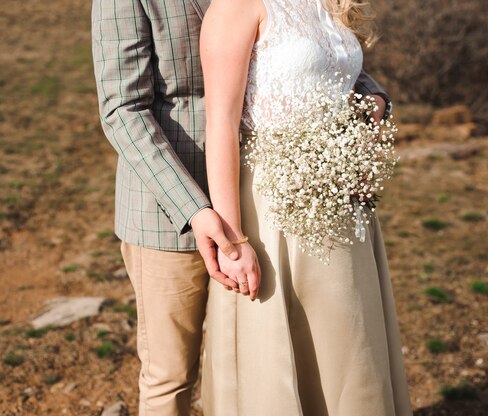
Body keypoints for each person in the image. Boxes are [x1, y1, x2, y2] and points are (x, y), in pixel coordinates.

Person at [92, 0, 392, 414]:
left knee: (288, 351)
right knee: (171, 376)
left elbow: (306, 54)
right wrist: (198, 211)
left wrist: (369, 97)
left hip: (261, 200)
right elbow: (123, 110)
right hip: (170, 209)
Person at [200, 0, 412, 415]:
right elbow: (220, 124)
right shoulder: (235, 7)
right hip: (273, 204)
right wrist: (233, 241)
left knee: (352, 341)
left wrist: (370, 114)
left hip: (341, 199)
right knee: (281, 344)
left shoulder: (328, 3)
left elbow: (341, 80)